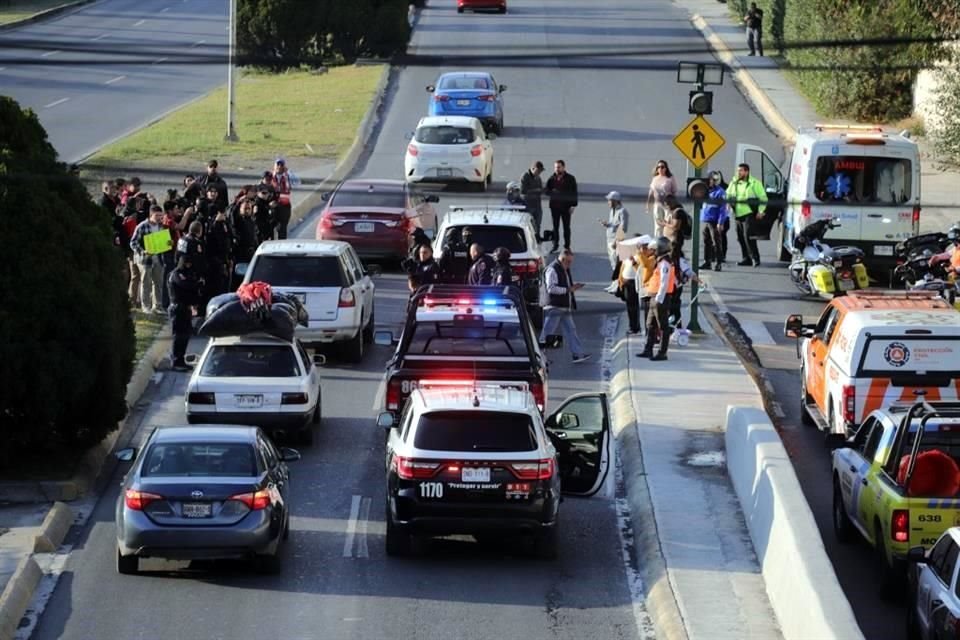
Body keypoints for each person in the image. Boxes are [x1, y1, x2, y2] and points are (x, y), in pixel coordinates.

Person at [539, 250, 591, 363]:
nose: (569, 264)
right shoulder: (552, 269)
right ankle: (539, 357)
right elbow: (551, 288)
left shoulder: (562, 268)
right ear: (562, 259)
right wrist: (568, 290)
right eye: (568, 261)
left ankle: (577, 354)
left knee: (571, 330)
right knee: (547, 333)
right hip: (554, 306)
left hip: (562, 306)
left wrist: (571, 289)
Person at [637, 237, 676, 361]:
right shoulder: (660, 261)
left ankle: (662, 352)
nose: (653, 251)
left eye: (655, 249)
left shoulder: (665, 263)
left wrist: (659, 298)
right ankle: (648, 349)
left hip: (660, 299)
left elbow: (664, 282)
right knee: (650, 324)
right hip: (654, 296)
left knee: (662, 326)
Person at [129, 205, 171, 314]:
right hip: (145, 259)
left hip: (159, 258)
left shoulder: (161, 226)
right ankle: (146, 306)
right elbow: (133, 242)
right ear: (150, 215)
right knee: (145, 283)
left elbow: (164, 241)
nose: (159, 218)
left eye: (161, 216)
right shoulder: (142, 226)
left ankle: (157, 306)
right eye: (157, 216)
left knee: (158, 283)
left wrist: (169, 243)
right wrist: (143, 251)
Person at [727, 163, 768, 267]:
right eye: (738, 171)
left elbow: (763, 198)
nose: (738, 173)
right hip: (737, 214)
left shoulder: (754, 183)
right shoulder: (734, 182)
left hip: (749, 213)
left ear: (746, 172)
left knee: (748, 237)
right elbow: (728, 193)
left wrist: (760, 211)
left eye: (740, 171)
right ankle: (746, 258)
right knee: (740, 237)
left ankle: (755, 258)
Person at [168, 256, 202, 372]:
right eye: (187, 264)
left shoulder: (187, 274)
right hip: (177, 308)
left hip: (185, 308)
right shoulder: (176, 274)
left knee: (185, 336)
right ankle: (176, 361)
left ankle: (181, 360)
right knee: (179, 336)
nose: (189, 266)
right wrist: (197, 284)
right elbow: (186, 285)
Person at [618, 235, 652, 335]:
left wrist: (634, 261)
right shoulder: (628, 255)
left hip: (639, 282)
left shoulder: (644, 256)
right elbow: (623, 266)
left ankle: (648, 328)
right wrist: (620, 279)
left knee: (645, 306)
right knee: (631, 306)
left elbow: (642, 270)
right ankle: (634, 327)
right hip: (627, 282)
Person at [545, 160, 578, 253]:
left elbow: (574, 193)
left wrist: (573, 205)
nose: (557, 169)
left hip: (566, 207)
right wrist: (553, 192)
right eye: (555, 167)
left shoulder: (570, 178)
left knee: (566, 227)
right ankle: (555, 245)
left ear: (563, 167)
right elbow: (546, 191)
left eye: (558, 167)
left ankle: (567, 246)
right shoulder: (551, 178)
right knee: (555, 227)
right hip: (554, 207)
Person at [599, 191, 629, 292]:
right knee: (613, 263)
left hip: (616, 241)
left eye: (609, 200)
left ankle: (618, 285)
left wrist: (617, 241)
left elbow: (623, 228)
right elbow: (614, 224)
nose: (608, 202)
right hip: (609, 239)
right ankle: (614, 283)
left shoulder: (623, 211)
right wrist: (607, 224)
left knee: (617, 264)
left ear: (615, 201)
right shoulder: (612, 210)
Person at [700, 171, 728, 271]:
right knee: (706, 241)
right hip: (706, 220)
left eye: (712, 180)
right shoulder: (704, 191)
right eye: (709, 180)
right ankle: (707, 261)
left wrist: (720, 222)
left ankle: (718, 263)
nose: (710, 182)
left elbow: (723, 209)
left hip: (714, 221)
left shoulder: (720, 192)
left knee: (716, 242)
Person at [647, 160, 678, 237]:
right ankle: (658, 242)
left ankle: (668, 242)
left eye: (662, 167)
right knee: (658, 225)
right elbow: (651, 191)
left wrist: (674, 205)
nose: (660, 169)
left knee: (667, 223)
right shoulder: (655, 178)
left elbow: (674, 191)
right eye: (658, 167)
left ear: (666, 168)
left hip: (668, 205)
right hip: (657, 204)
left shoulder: (670, 178)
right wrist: (648, 203)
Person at [521, 161, 545, 238]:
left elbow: (540, 189)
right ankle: (528, 238)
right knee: (528, 224)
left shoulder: (538, 178)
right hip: (528, 205)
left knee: (538, 223)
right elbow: (523, 191)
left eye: (541, 171)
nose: (539, 173)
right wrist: (535, 190)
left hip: (537, 205)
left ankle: (537, 237)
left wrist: (542, 190)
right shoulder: (525, 176)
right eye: (538, 171)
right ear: (533, 168)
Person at [271, 157, 293, 239]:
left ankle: (281, 245)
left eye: (282, 165)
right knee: (270, 228)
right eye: (278, 164)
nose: (279, 167)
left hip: (285, 206)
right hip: (273, 206)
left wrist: (289, 172)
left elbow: (297, 182)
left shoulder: (287, 176)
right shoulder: (270, 176)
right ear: (274, 166)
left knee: (282, 229)